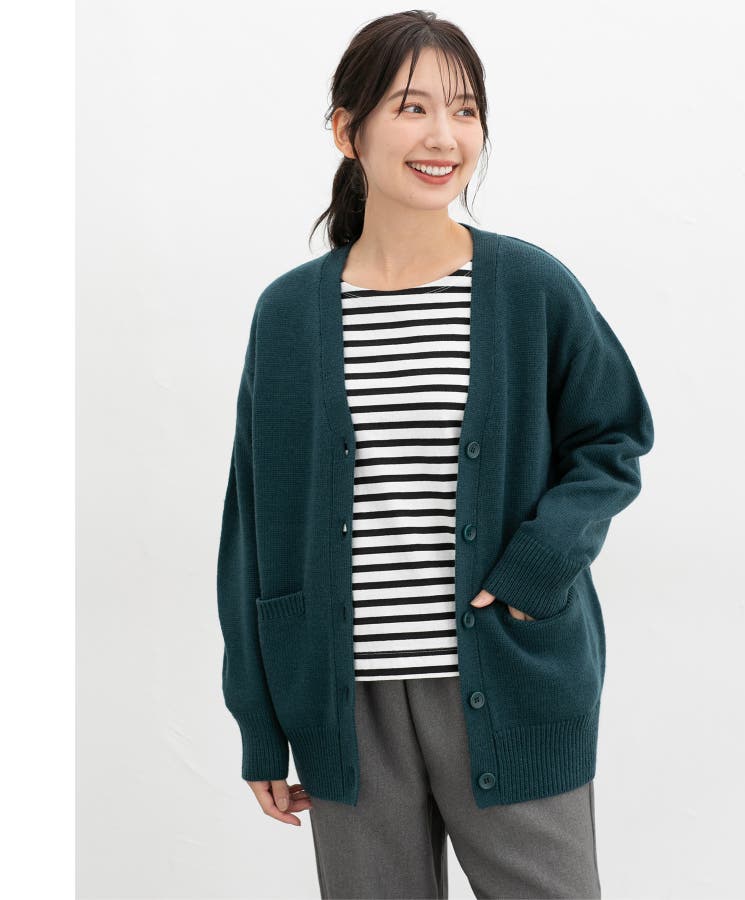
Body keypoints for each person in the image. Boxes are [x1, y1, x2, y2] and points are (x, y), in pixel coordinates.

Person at [216, 9, 654, 899]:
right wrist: (259, 724)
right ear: (348, 130)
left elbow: (613, 437)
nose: (444, 136)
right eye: (412, 107)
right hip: (343, 703)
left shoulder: (527, 286)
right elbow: (250, 522)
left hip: (511, 677)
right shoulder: (289, 315)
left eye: (465, 109)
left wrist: (539, 566)